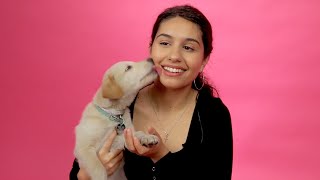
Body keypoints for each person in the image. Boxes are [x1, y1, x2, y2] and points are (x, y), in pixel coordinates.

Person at [70, 4, 233, 180]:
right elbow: (78, 173)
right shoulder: (122, 103)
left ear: (204, 60)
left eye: (188, 48)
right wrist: (87, 175)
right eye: (164, 43)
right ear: (151, 47)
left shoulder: (213, 115)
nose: (174, 56)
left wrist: (161, 155)